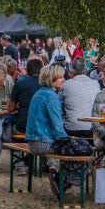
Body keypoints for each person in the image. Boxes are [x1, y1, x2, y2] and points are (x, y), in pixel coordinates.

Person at [26, 65, 68, 193]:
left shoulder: (38, 93)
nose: (64, 79)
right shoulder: (51, 96)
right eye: (60, 77)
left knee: (64, 145)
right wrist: (67, 140)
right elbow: (57, 125)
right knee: (80, 150)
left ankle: (54, 171)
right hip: (43, 142)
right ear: (51, 79)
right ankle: (64, 180)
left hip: (32, 141)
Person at [60, 58, 100, 138]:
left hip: (72, 129)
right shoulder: (95, 83)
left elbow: (58, 104)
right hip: (92, 128)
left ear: (72, 71)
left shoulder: (66, 84)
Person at [7, 58, 43, 134]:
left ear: (27, 70)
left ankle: (4, 144)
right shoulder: (47, 83)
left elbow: (10, 108)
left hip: (24, 127)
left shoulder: (20, 83)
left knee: (6, 121)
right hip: (42, 127)